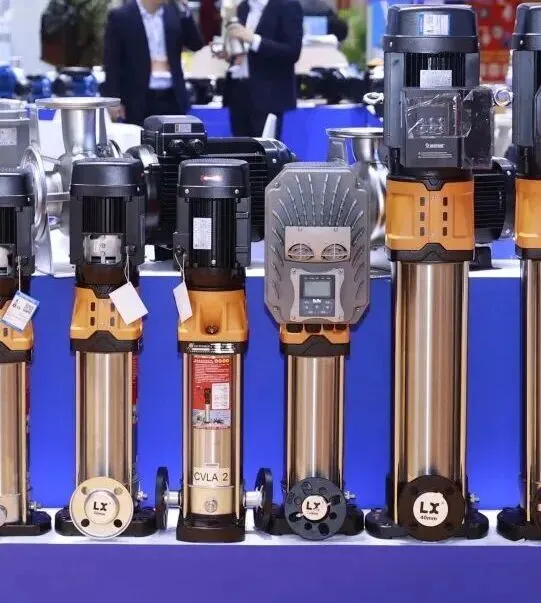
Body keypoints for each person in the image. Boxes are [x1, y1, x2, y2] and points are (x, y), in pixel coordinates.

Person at [103, 0, 203, 126]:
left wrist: (184, 11)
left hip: (172, 97)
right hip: (137, 99)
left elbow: (196, 44)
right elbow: (112, 62)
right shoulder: (121, 16)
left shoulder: (175, 12)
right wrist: (113, 100)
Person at [222, 0, 303, 139]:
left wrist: (253, 40)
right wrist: (230, 53)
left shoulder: (288, 5)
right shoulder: (243, 7)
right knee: (239, 148)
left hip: (268, 95)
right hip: (239, 92)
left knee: (265, 148)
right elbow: (244, 48)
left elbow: (292, 51)